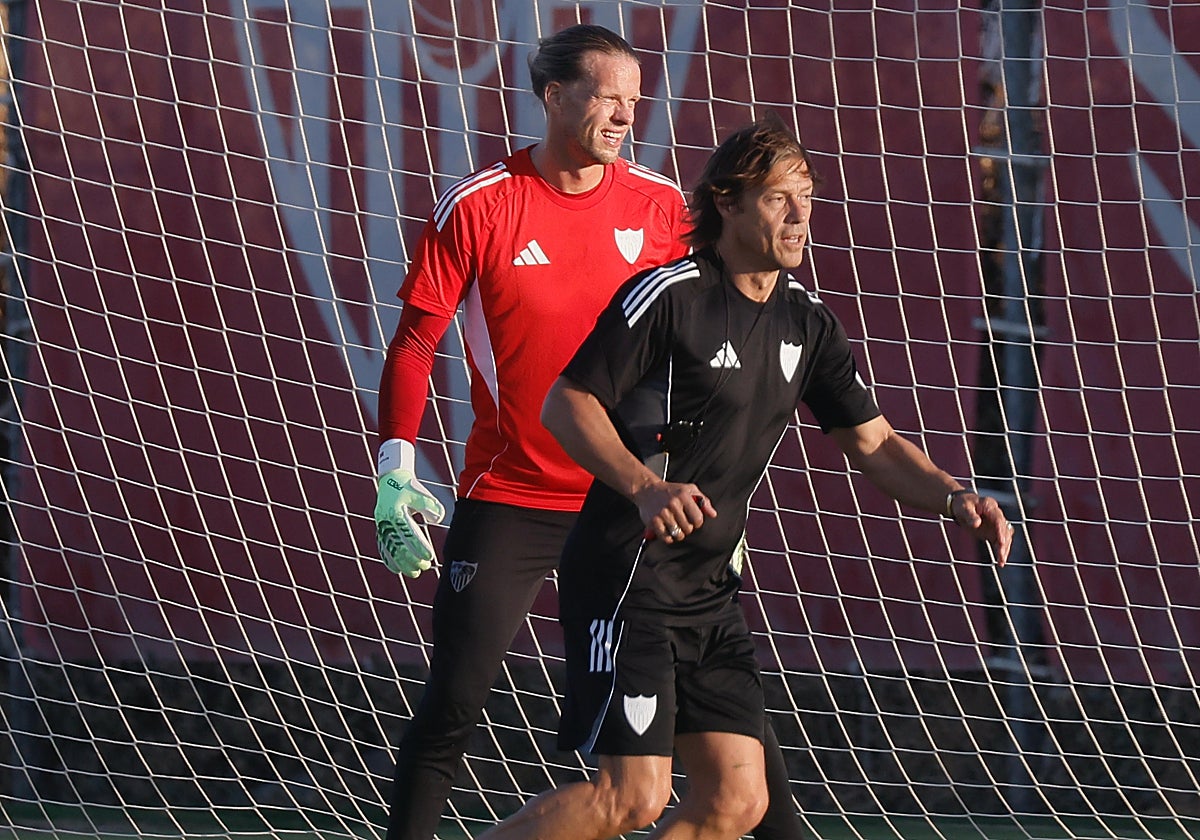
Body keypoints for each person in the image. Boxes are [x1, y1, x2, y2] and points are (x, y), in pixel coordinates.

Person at [474, 114, 1014, 839]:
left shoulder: (808, 324)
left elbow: (875, 443)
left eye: (807, 198)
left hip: (709, 594)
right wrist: (643, 487)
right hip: (628, 579)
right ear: (727, 204)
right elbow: (564, 403)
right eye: (777, 199)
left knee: (737, 802)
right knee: (633, 796)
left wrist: (954, 497)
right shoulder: (668, 296)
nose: (800, 218)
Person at [373, 26, 806, 840]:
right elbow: (416, 340)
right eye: (607, 96)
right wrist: (397, 462)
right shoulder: (481, 204)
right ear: (552, 95)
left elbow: (707, 338)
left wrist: (703, 482)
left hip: (631, 506)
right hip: (514, 495)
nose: (622, 114)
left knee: (737, 733)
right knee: (454, 704)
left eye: (634, 101)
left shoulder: (660, 206)